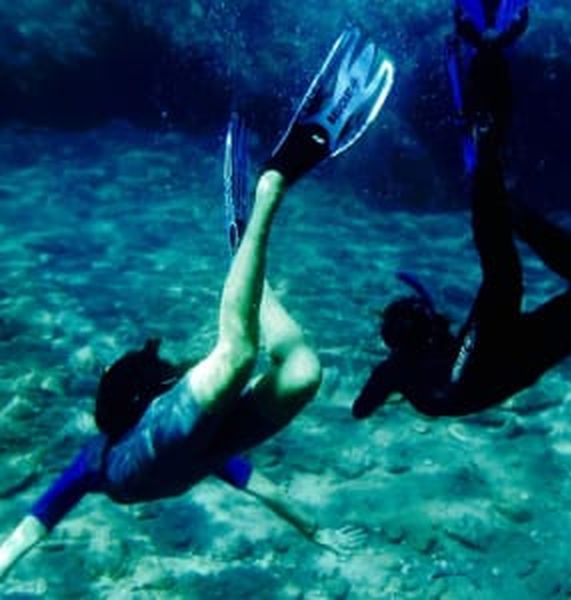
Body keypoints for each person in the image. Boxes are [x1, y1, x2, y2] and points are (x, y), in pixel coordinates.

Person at [0, 26, 394, 581]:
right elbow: (264, 489)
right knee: (304, 372)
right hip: (197, 443)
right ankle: (245, 243)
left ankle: (268, 193)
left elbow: (25, 532)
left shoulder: (98, 461)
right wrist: (315, 531)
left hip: (176, 434)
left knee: (237, 355)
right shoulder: (183, 456)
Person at [351, 1, 571, 419]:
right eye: (420, 317)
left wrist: (390, 380)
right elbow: (365, 405)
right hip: (476, 375)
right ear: (413, 337)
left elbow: (360, 410)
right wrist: (392, 376)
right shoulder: (405, 369)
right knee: (534, 280)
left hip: (501, 362)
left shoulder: (405, 369)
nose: (431, 318)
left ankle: (503, 188)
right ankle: (501, 184)